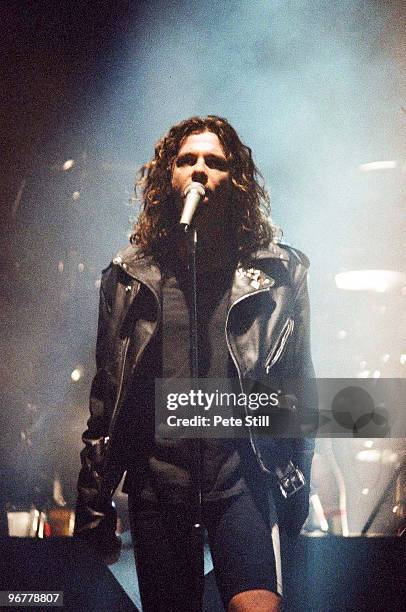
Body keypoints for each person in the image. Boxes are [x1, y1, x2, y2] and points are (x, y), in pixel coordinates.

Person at [74, 115, 317, 612]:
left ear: (237, 180)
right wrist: (94, 499)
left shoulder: (279, 274)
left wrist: (295, 487)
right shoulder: (128, 278)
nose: (200, 170)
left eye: (215, 161)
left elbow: (301, 389)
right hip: (159, 489)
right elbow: (108, 398)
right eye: (187, 160)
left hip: (241, 483)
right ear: (169, 178)